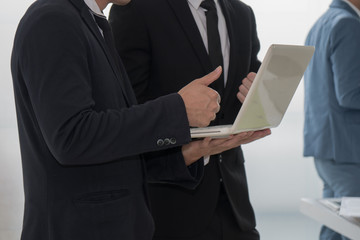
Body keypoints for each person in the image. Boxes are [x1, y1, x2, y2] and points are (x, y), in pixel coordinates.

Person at [10, 0, 270, 239]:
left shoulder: (92, 23)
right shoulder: (52, 20)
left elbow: (117, 143)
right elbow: (71, 137)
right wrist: (178, 110)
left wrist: (188, 154)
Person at [109, 0, 270, 239]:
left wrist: (260, 101)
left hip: (236, 210)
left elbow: (240, 99)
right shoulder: (137, 8)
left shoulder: (242, 14)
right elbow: (126, 113)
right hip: (168, 209)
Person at [304, 0, 360, 239]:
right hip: (349, 151)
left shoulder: (321, 24)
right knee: (353, 228)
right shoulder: (348, 24)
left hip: (326, 148)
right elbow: (350, 94)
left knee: (336, 227)